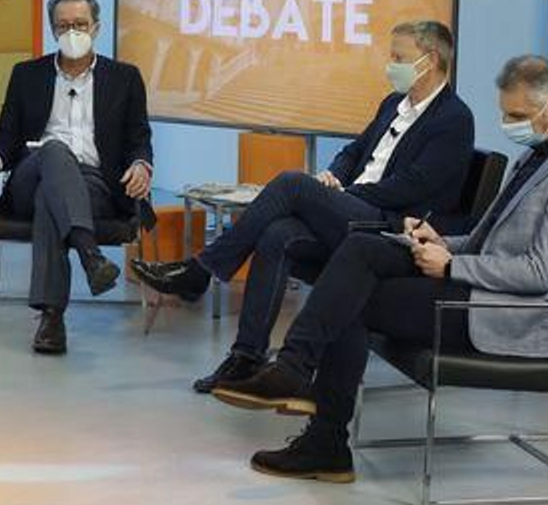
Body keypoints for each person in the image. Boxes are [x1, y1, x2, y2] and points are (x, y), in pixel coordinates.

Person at [208, 56, 548, 484]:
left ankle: (324, 439)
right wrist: (442, 242)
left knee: (354, 297)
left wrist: (453, 265)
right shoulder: (540, 155)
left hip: (509, 314)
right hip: (483, 287)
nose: (509, 124)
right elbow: (491, 239)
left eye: (517, 116)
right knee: (363, 249)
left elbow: (540, 271)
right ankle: (295, 371)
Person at [131, 21, 474, 393]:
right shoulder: (393, 104)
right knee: (279, 234)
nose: (390, 65)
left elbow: (414, 185)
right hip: (357, 209)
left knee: (292, 184)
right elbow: (354, 152)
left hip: (393, 227)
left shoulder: (454, 118)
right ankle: (246, 356)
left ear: (430, 60)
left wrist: (348, 195)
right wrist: (333, 176)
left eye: (399, 57)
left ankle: (201, 271)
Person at [0, 0, 154, 356]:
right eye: (63, 25)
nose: (72, 32)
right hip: (30, 174)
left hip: (94, 185)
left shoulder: (125, 77)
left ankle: (52, 318)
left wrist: (140, 165)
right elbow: (6, 137)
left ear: (96, 27)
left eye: (80, 24)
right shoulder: (27, 74)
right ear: (53, 30)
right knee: (53, 150)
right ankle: (89, 253)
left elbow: (139, 139)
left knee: (50, 200)